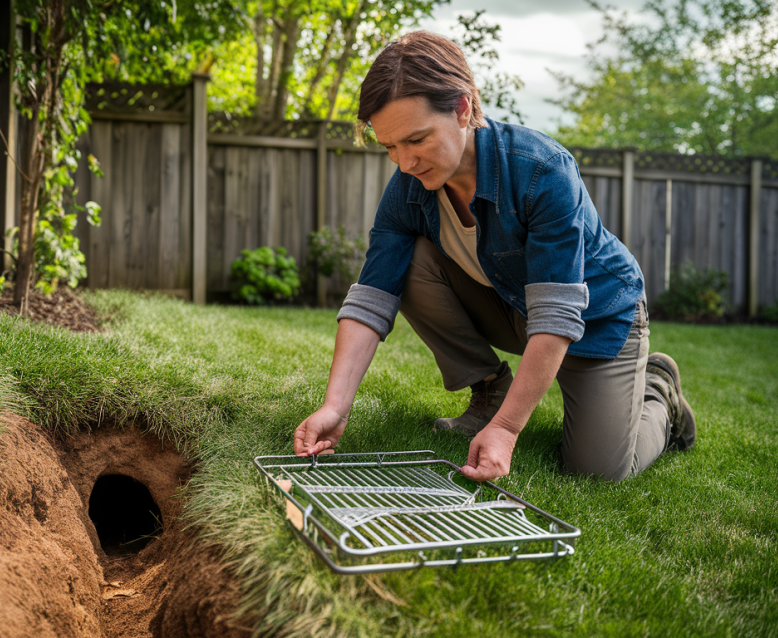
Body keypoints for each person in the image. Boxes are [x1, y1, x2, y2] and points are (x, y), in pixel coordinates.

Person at [293, 31, 696, 482]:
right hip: (513, 307)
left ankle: (659, 394)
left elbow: (557, 314)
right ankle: (490, 389)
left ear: (463, 109)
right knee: (406, 262)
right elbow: (372, 296)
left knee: (598, 471)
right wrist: (335, 405)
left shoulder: (542, 171)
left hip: (598, 319)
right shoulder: (408, 190)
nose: (404, 163)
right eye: (390, 148)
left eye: (417, 140)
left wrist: (507, 429)